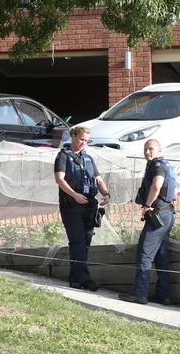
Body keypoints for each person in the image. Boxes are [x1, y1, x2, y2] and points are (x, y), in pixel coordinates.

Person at [119, 139, 176, 305]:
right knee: (161, 256)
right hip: (167, 215)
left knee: (144, 254)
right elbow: (173, 194)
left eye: (151, 149)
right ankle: (163, 296)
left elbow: (156, 186)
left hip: (157, 216)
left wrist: (147, 205)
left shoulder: (157, 166)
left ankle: (139, 294)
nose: (147, 152)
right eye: (145, 149)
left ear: (159, 150)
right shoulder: (168, 165)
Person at [54, 126, 110, 291]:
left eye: (86, 141)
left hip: (89, 206)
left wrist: (106, 193)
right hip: (71, 205)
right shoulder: (63, 156)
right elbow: (59, 179)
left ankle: (75, 279)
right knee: (77, 241)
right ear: (73, 136)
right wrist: (74, 195)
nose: (83, 143)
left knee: (85, 242)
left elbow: (98, 179)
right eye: (81, 140)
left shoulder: (88, 158)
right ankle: (84, 279)